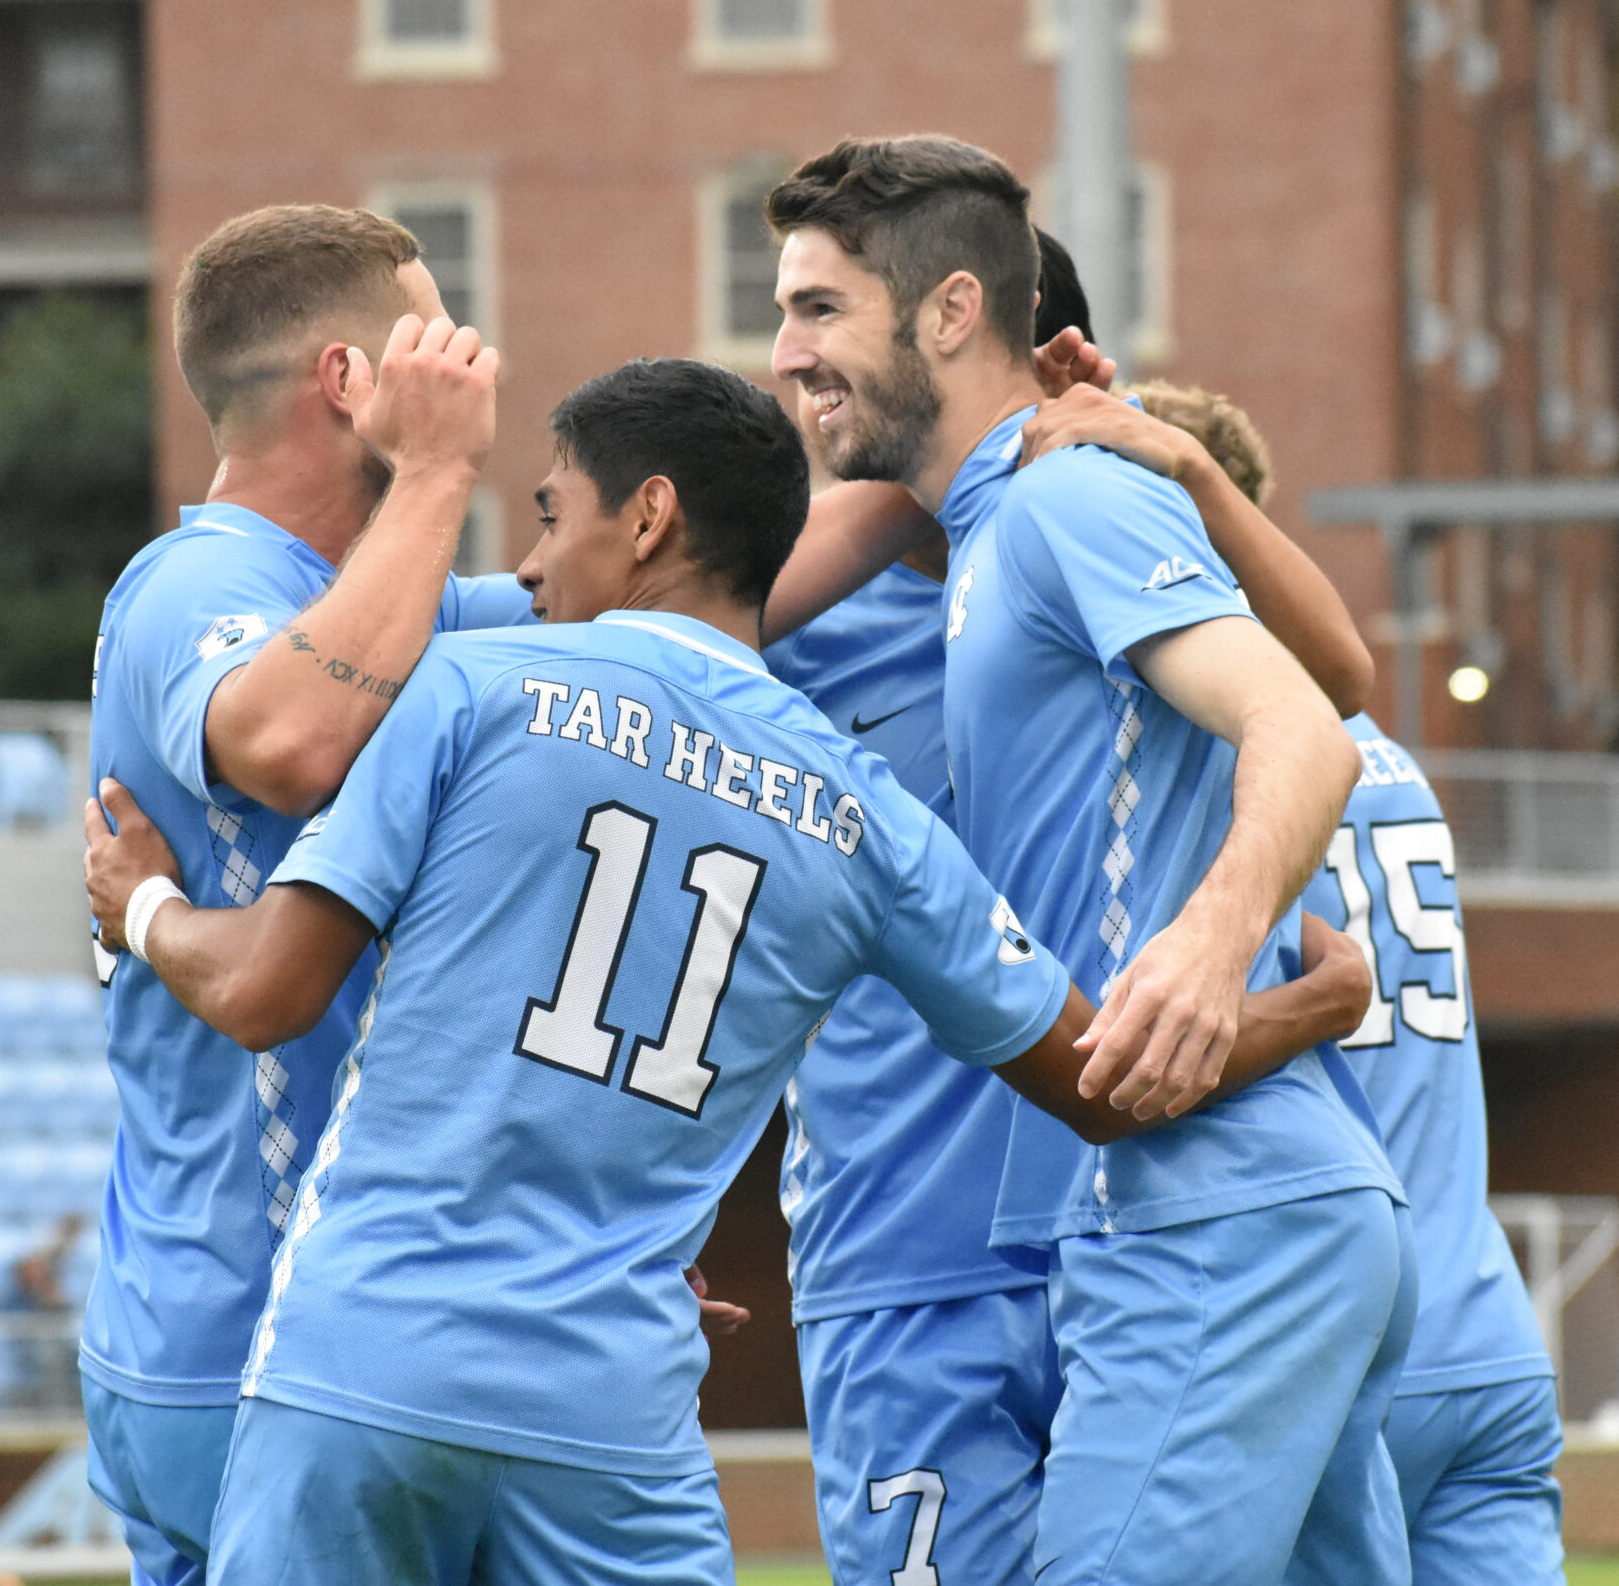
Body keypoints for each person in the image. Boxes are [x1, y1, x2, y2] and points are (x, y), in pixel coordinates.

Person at [79, 357, 1377, 1586]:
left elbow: (262, 991)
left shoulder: (471, 682)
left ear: (646, 517)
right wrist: (1306, 1004)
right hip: (614, 1420)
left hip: (363, 1369)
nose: (531, 565)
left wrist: (140, 904)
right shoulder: (862, 810)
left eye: (549, 514)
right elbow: (1103, 1078)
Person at [768, 136, 1410, 1586]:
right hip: (1228, 1204)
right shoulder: (991, 523)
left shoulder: (1063, 496)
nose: (785, 351)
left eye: (818, 309)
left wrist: (1210, 934)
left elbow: (1310, 727)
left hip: (1206, 1212)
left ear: (946, 314)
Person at [1024, 381, 1570, 1583]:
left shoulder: (1220, 761)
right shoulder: (1395, 764)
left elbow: (1273, 995)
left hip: (1312, 1317)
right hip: (1482, 1325)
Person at [81, 203, 515, 1586]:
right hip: (251, 1333)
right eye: (426, 336)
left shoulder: (374, 600)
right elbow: (289, 738)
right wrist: (440, 473)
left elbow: (647, 593)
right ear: (347, 380)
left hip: (258, 1338)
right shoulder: (195, 581)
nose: (464, 361)